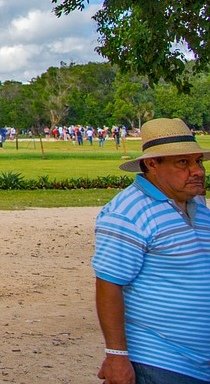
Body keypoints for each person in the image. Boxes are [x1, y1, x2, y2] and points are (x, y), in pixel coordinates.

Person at [94, 118, 210, 384]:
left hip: (199, 362)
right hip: (160, 361)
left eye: (198, 161)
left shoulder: (199, 208)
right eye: (183, 162)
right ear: (152, 164)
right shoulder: (128, 213)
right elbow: (109, 284)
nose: (197, 171)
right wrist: (116, 356)